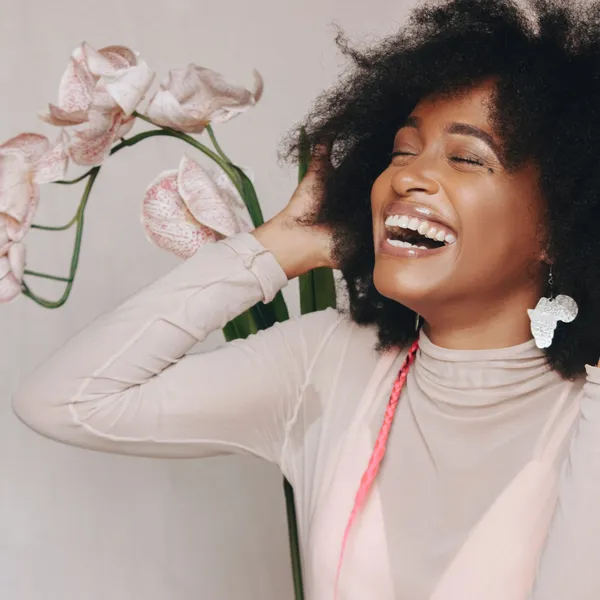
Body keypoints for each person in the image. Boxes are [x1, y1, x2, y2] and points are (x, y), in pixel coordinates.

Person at [12, 0, 600, 597]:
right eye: (402, 150)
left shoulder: (586, 407)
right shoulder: (327, 363)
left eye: (468, 158)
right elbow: (64, 401)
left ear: (564, 221)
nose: (407, 178)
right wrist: (279, 250)